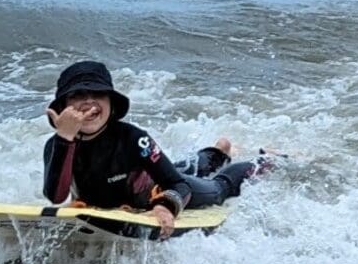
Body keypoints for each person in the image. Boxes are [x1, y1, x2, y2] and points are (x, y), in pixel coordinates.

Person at [43, 61, 274, 239]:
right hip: (143, 181)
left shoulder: (133, 138)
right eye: (78, 96)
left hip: (159, 192)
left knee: (216, 188)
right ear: (62, 107)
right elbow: (56, 197)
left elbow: (177, 185)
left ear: (112, 104)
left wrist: (165, 207)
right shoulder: (57, 145)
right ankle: (217, 152)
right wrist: (66, 139)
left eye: (98, 94)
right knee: (183, 166)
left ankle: (265, 160)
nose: (89, 103)